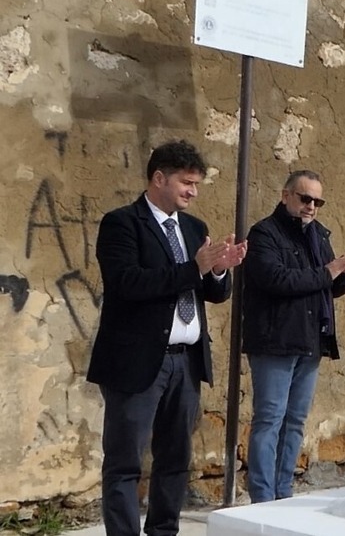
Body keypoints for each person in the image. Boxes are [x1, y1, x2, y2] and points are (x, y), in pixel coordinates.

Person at [87, 140, 247, 536]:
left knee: (175, 460)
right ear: (159, 178)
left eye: (196, 184)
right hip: (138, 362)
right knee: (125, 462)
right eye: (186, 183)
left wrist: (218, 272)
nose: (193, 191)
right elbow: (128, 284)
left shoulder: (195, 228)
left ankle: (163, 531)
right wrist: (194, 268)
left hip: (186, 361)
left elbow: (210, 293)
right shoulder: (122, 223)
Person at [241, 170, 345, 503]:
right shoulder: (264, 234)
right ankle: (263, 499)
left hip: (309, 340)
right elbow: (278, 281)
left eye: (317, 201)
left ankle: (283, 492)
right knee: (269, 419)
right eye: (305, 198)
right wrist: (330, 270)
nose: (311, 206)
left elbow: (328, 286)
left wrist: (344, 273)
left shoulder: (318, 236)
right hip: (274, 341)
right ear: (285, 196)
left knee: (294, 422)